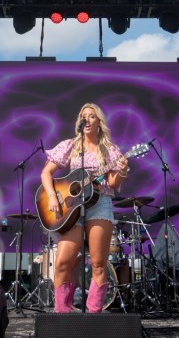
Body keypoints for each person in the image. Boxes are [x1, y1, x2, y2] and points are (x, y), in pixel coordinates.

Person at [40, 102, 130, 313]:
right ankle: (62, 314)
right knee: (63, 262)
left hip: (100, 204)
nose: (87, 119)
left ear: (99, 122)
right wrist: (52, 196)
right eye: (83, 116)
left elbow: (113, 183)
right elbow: (46, 173)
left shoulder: (109, 150)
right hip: (72, 209)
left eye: (91, 116)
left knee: (98, 263)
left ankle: (94, 314)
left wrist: (122, 171)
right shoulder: (70, 146)